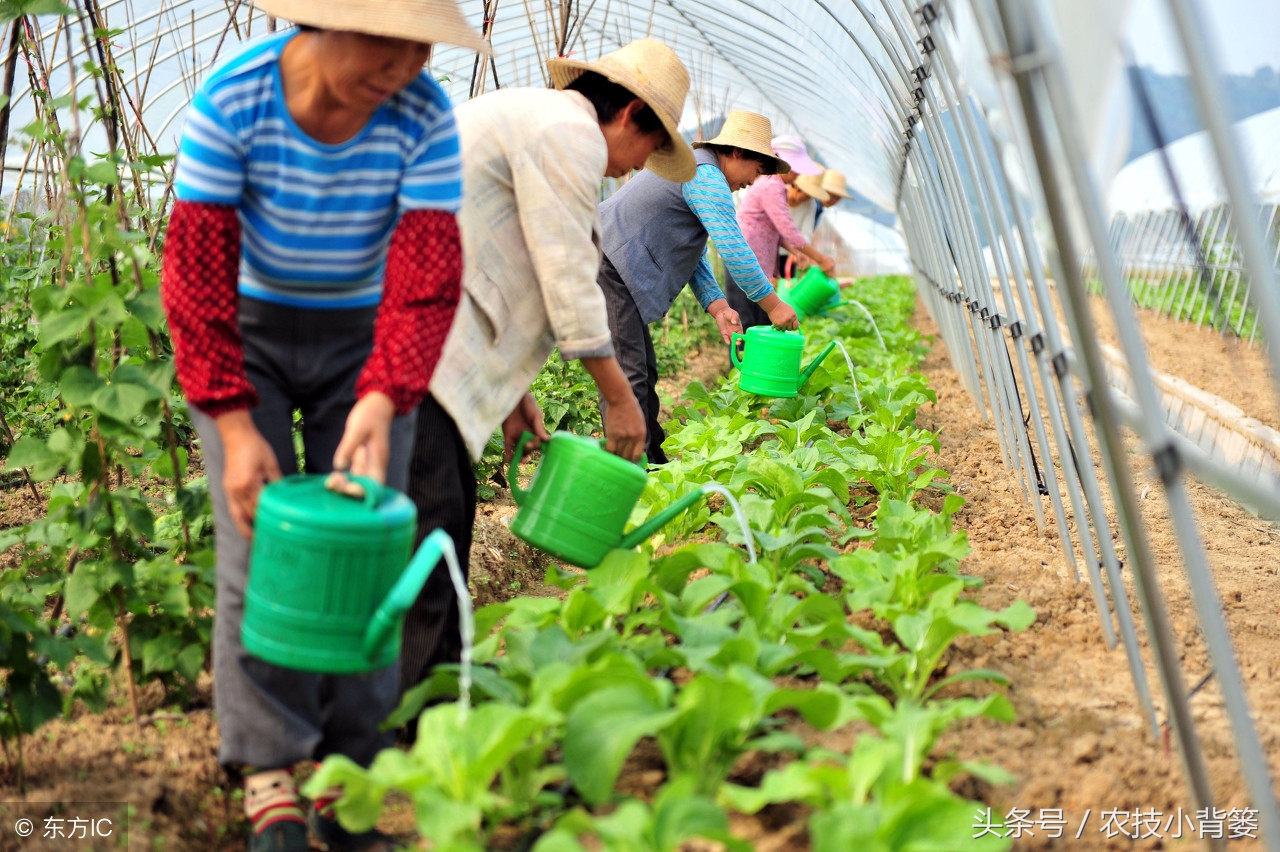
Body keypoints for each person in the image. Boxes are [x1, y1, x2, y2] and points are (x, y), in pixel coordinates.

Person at [159, 2, 486, 850]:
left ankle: (352, 764)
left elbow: (425, 272)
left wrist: (383, 394)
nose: (407, 64)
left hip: (367, 336)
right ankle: (269, 765)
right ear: (316, 24)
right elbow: (196, 280)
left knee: (371, 537)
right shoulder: (232, 104)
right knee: (258, 537)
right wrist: (233, 427)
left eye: (422, 45)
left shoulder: (425, 115)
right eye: (388, 41)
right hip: (248, 333)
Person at [400, 39, 696, 695]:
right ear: (631, 116)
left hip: (424, 337)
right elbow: (566, 274)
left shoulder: (540, 118)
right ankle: (418, 729)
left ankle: (425, 703)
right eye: (650, 149)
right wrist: (619, 399)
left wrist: (515, 389)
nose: (636, 169)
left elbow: (507, 247)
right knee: (430, 535)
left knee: (436, 522)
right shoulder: (570, 132)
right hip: (416, 346)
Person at [596, 110, 800, 465]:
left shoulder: (697, 170)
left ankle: (653, 462)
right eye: (757, 168)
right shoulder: (704, 174)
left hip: (613, 263)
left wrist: (718, 306)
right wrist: (773, 305)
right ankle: (630, 470)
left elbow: (693, 252)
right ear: (736, 153)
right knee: (629, 374)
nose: (754, 180)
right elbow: (734, 248)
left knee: (642, 370)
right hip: (609, 262)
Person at [724, 134, 838, 330]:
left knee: (760, 322)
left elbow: (778, 233)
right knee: (745, 322)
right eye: (795, 169)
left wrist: (797, 253)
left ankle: (758, 361)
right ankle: (738, 362)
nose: (797, 176)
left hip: (754, 262)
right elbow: (788, 229)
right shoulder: (771, 185)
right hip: (742, 259)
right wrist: (821, 259)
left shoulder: (776, 186)